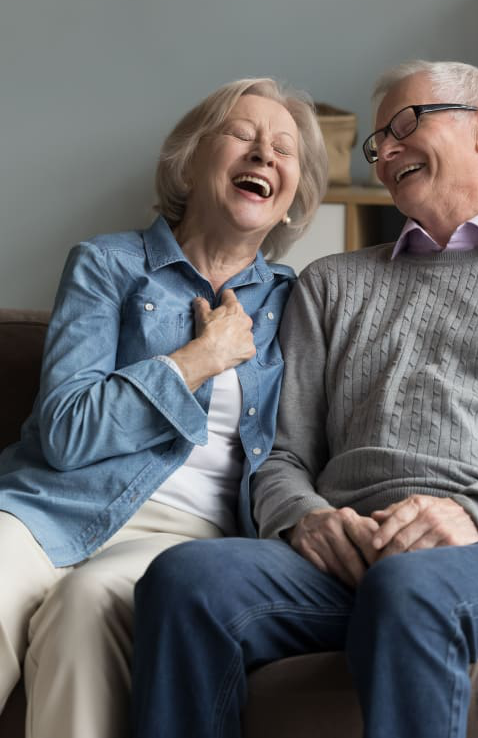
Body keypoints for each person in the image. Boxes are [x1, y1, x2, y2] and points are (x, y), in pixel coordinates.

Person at [131, 61, 478, 738]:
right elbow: (282, 456)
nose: (385, 152)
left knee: (410, 587)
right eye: (377, 144)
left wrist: (472, 515)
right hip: (351, 560)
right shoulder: (330, 284)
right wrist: (306, 519)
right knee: (187, 579)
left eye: (403, 126)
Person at [0, 77, 328, 738]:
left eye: (283, 148)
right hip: (50, 503)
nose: (263, 152)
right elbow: (65, 432)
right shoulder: (106, 265)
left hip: (186, 533)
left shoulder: (302, 300)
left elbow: (413, 274)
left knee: (87, 607)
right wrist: (198, 359)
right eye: (242, 133)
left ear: (293, 200)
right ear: (191, 157)